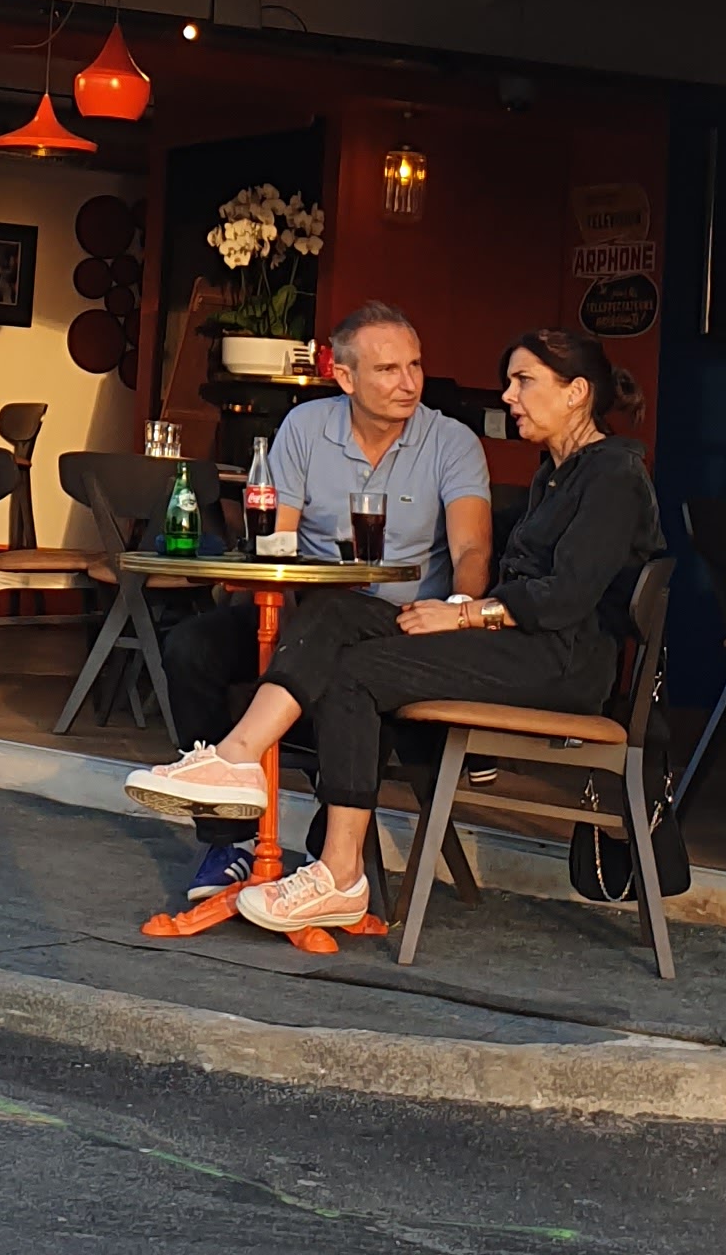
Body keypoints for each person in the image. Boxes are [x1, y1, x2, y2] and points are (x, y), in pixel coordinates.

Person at [127, 326, 665, 943]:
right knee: (335, 612)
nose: (508, 396)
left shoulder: (614, 475)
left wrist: (462, 614)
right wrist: (466, 616)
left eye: (523, 381)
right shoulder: (557, 473)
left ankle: (340, 872)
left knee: (355, 673)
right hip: (518, 643)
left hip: (560, 663)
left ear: (576, 392)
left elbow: (566, 596)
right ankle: (237, 758)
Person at [150, 299, 493, 934]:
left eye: (415, 366)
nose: (408, 383)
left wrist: (456, 613)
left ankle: (318, 857)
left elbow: (472, 549)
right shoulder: (307, 427)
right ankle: (230, 839)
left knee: (353, 664)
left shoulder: (451, 440)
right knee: (192, 647)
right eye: (388, 369)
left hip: (404, 625)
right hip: (309, 613)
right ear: (345, 376)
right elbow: (277, 537)